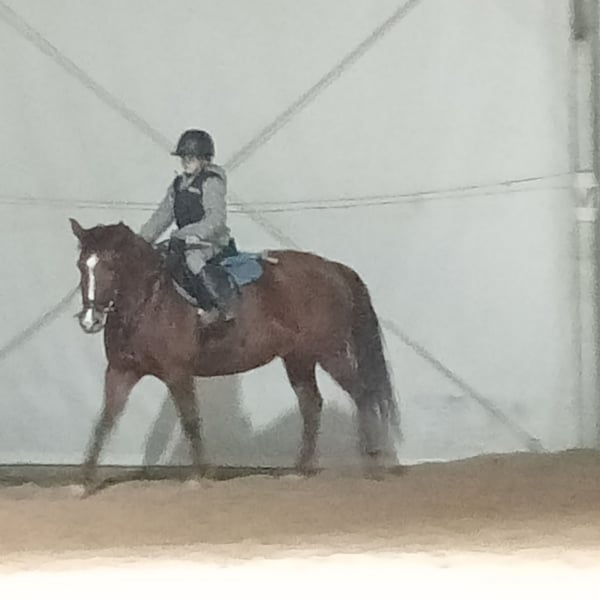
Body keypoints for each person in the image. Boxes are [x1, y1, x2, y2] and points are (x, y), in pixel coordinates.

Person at [139, 129, 237, 323]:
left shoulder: (211, 182)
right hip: (184, 241)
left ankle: (216, 305)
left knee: (193, 259)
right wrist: (141, 241)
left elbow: (216, 218)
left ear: (204, 159)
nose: (185, 162)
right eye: (183, 157)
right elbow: (162, 216)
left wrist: (193, 233)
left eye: (191, 158)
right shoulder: (178, 185)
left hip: (210, 241)